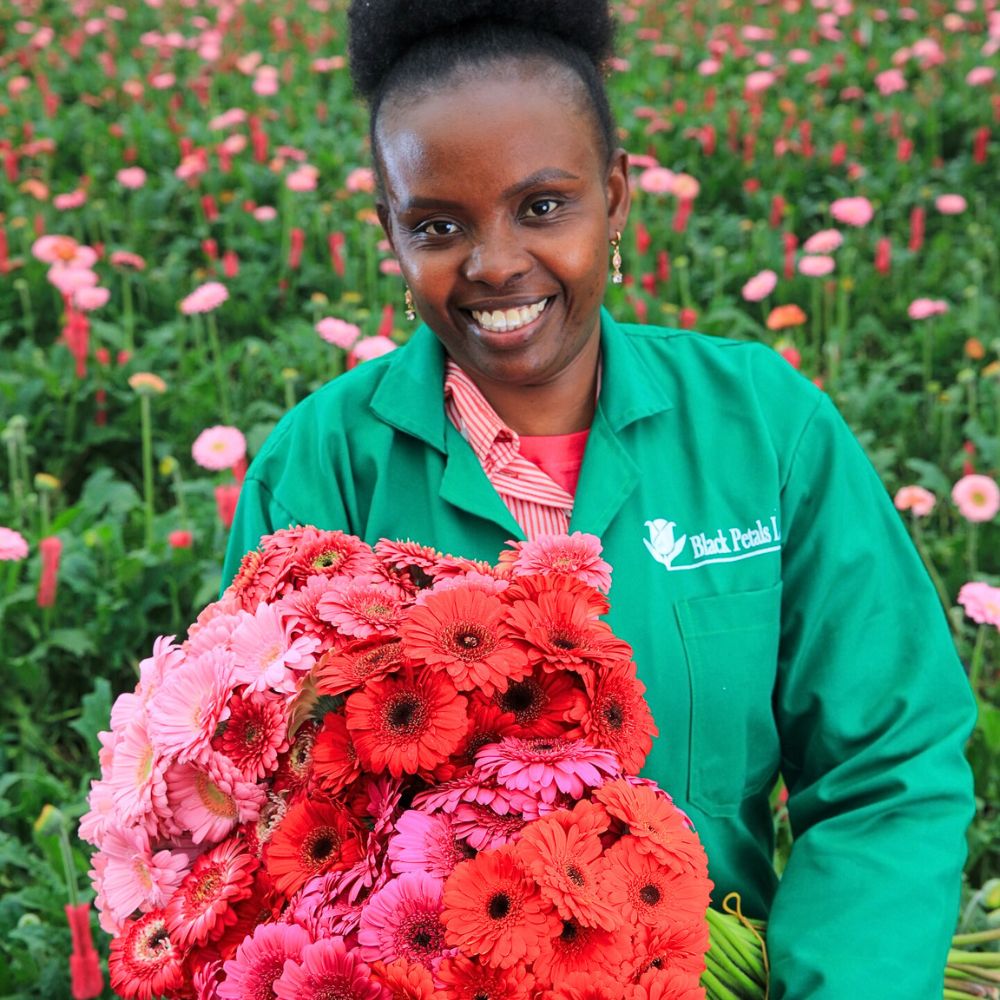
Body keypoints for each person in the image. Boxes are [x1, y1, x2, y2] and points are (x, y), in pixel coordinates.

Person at [223, 1, 977, 994]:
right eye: (438, 225)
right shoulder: (321, 467)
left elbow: (890, 762)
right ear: (389, 233)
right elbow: (260, 813)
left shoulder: (765, 427)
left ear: (615, 198)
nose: (493, 263)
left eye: (541, 206)